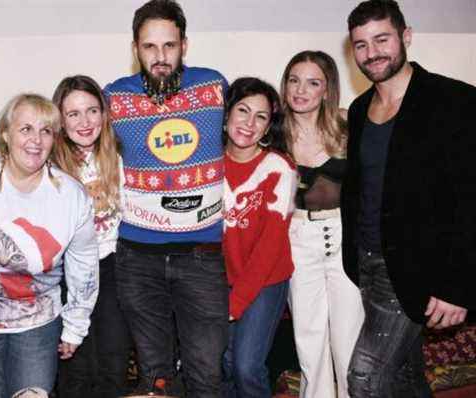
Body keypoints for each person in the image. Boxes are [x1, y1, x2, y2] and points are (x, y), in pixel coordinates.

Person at [342, 1, 475, 396]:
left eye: (381, 39)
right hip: (366, 264)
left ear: (407, 36)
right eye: (361, 45)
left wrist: (458, 285)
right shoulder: (360, 108)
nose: (372, 53)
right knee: (403, 377)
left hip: (418, 268)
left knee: (364, 378)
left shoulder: (455, 101)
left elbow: (470, 199)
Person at [103, 1, 229, 396]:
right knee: (155, 378)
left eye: (169, 46)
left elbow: (256, 129)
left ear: (184, 45)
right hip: (137, 256)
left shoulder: (215, 87)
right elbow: (76, 142)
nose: (160, 58)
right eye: (149, 47)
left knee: (206, 375)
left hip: (202, 254)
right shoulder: (113, 98)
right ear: (135, 48)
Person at [0, 93, 99, 397]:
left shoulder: (71, 197)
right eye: (26, 128)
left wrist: (75, 326)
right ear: (5, 133)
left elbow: (84, 266)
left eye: (46, 131)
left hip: (38, 324)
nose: (36, 140)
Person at [280, 51, 364, 398]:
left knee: (350, 341)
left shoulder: (348, 125)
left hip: (345, 236)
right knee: (309, 341)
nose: (301, 90)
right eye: (294, 80)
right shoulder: (273, 131)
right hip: (297, 238)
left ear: (327, 90)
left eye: (313, 82)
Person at [51, 75, 131, 398]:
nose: (84, 122)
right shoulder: (50, 164)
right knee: (76, 366)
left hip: (112, 264)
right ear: (60, 120)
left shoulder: (121, 155)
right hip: (67, 272)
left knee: (113, 359)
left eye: (92, 111)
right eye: (73, 114)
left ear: (104, 114)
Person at [220, 77, 296, 398]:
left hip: (265, 279)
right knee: (220, 364)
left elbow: (270, 246)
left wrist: (237, 303)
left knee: (246, 367)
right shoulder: (206, 166)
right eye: (243, 110)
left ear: (268, 127)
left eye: (261, 117)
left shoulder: (279, 168)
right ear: (226, 116)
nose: (250, 123)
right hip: (218, 280)